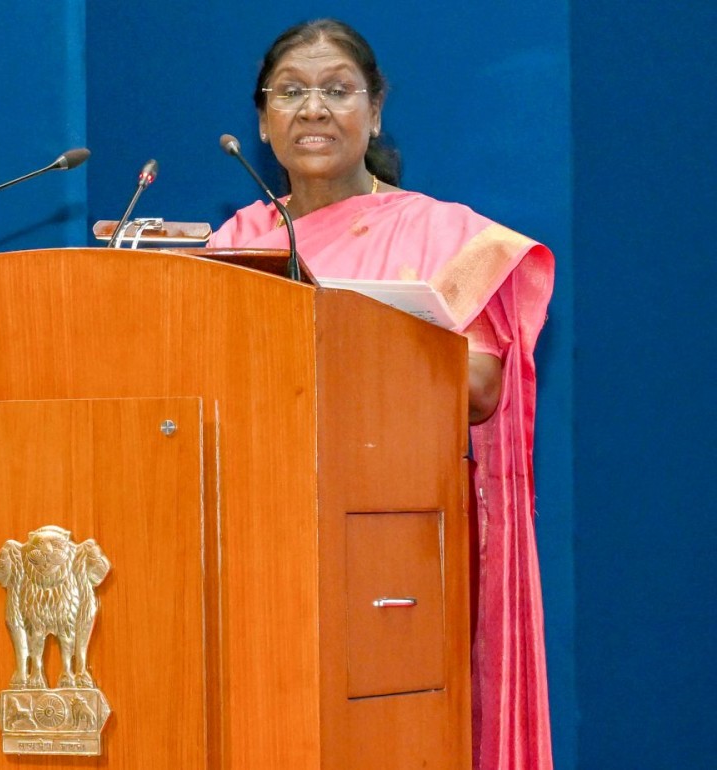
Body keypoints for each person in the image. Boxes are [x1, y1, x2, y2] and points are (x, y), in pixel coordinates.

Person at [209, 19, 555, 770]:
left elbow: (480, 387)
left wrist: (360, 335)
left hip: (389, 535)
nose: (313, 109)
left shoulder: (447, 235)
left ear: (375, 109)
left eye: (337, 90)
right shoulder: (235, 240)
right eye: (291, 92)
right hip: (253, 539)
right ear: (263, 120)